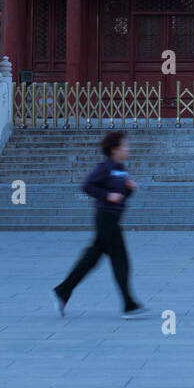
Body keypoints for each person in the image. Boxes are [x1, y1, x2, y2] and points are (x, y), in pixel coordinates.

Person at [53, 130, 148, 318]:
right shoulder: (105, 166)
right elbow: (88, 186)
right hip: (105, 219)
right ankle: (129, 305)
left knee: (91, 259)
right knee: (120, 260)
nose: (128, 149)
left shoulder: (120, 168)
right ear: (114, 149)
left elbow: (120, 196)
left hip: (112, 219)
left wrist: (129, 189)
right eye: (125, 145)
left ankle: (63, 290)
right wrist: (107, 195)